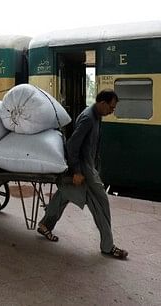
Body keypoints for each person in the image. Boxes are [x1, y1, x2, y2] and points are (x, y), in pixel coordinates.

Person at [37, 89, 128, 260]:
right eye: (111, 107)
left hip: (89, 167)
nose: (112, 111)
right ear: (102, 104)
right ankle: (108, 246)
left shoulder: (97, 116)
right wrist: (77, 171)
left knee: (65, 193)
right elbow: (72, 146)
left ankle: (45, 225)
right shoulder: (88, 118)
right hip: (84, 170)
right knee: (100, 203)